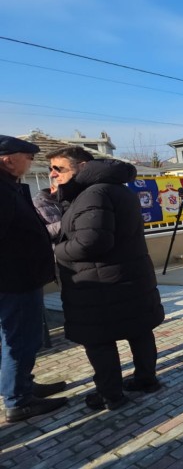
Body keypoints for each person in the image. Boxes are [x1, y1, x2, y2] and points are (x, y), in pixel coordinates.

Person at [54, 158, 165, 411]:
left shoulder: (94, 193)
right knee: (139, 330)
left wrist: (56, 251)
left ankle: (109, 394)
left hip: (100, 283)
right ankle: (146, 380)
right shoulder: (117, 189)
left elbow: (91, 242)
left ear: (80, 167)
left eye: (58, 168)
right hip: (126, 276)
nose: (53, 174)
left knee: (99, 338)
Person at [0, 135, 68, 423]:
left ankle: (22, 386)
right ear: (8, 159)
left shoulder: (9, 187)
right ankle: (18, 400)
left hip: (19, 277)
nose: (31, 162)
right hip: (13, 281)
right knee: (20, 340)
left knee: (20, 339)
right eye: (27, 157)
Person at [32, 147, 96, 348]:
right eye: (52, 171)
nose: (54, 175)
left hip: (85, 259)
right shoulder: (40, 202)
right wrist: (67, 222)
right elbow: (40, 232)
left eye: (58, 170)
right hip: (62, 261)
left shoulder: (80, 196)